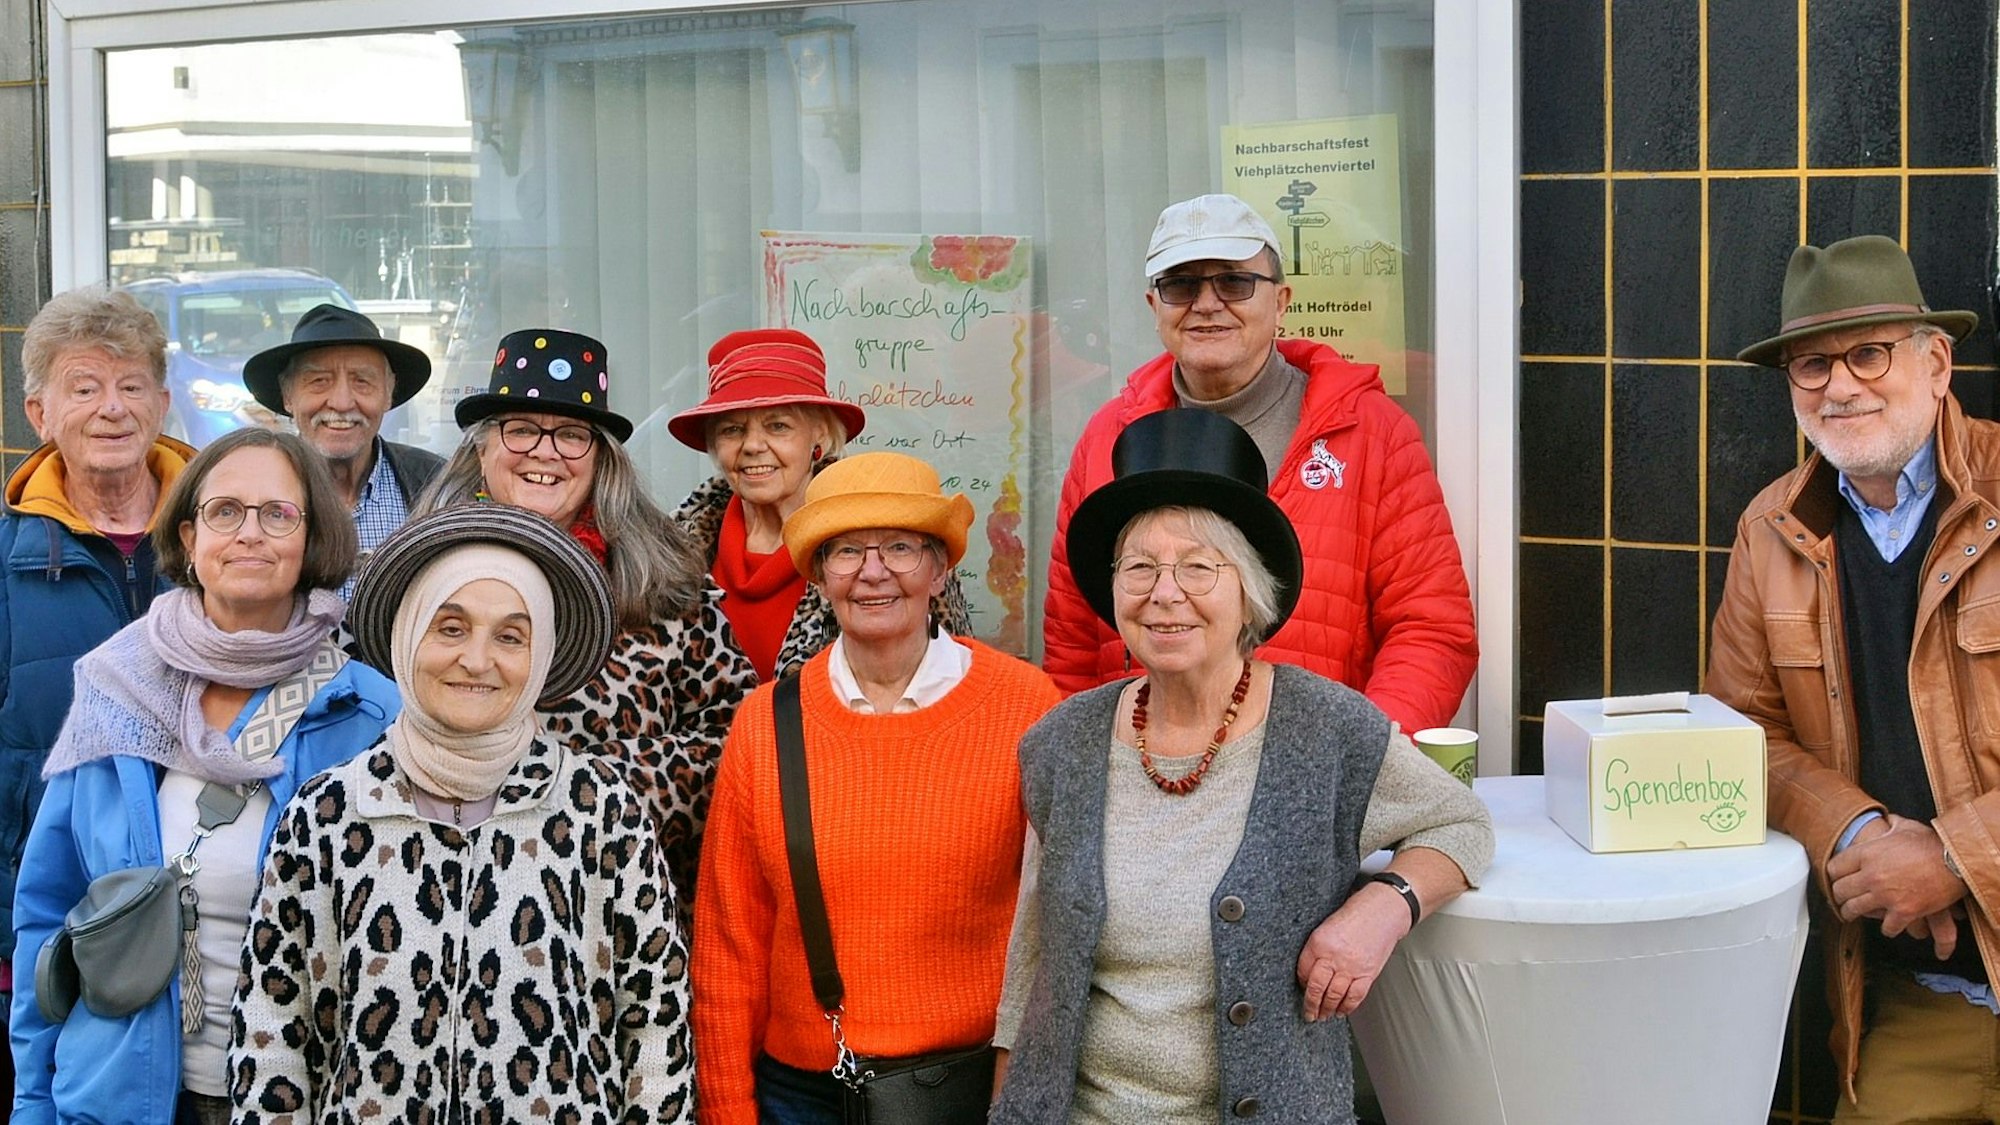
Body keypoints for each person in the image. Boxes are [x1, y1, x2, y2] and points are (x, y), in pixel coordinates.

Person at [993, 409, 1491, 1125]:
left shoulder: (1326, 729)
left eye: (1198, 566)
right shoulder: (1063, 740)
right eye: (1140, 567)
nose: (1165, 593)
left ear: (1248, 589)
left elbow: (1462, 821)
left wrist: (1384, 907)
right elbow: (1030, 964)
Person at [229, 503, 692, 1122]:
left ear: (541, 654)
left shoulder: (602, 813)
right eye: (450, 628)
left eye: (510, 636)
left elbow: (655, 1024)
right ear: (408, 636)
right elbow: (271, 1032)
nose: (477, 659)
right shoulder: (330, 815)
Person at [10, 427, 399, 1124]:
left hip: (301, 1100)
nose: (250, 532)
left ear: (313, 540)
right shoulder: (116, 689)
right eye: (225, 511)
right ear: (188, 537)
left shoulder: (369, 712)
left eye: (278, 513)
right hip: (116, 1100)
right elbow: (49, 915)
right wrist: (32, 1102)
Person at [1709, 234, 2000, 1121]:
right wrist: (1860, 832)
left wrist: (1953, 855)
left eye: (1869, 352)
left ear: (1937, 361)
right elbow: (1741, 735)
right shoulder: (1772, 531)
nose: (1839, 386)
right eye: (1810, 365)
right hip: (1926, 998)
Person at [691, 452, 1060, 1124]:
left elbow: (1060, 919)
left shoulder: (1026, 705)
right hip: (802, 1096)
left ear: (940, 568)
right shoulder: (765, 721)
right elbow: (728, 941)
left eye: (900, 546)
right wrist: (725, 1109)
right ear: (819, 575)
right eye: (846, 550)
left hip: (970, 1087)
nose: (873, 570)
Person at [1041, 193, 1476, 735]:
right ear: (1154, 307)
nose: (1206, 303)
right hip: (1149, 771)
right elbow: (1074, 643)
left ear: (1282, 301)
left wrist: (1360, 759)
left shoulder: (1369, 431)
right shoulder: (1109, 437)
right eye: (1181, 284)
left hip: (1316, 777)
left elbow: (1430, 630)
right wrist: (1095, 766)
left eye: (1234, 282)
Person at [415, 327, 755, 904]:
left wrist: (586, 789)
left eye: (572, 435)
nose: (544, 452)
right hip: (447, 893)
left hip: (622, 898)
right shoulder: (421, 572)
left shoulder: (664, 580)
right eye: (520, 429)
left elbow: (737, 733)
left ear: (600, 458)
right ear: (481, 448)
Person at [0, 287, 195, 1091]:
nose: (112, 408)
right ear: (40, 414)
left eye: (131, 385)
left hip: (207, 914)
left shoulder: (219, 542)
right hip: (49, 926)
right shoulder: (8, 562)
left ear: (162, 402)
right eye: (85, 387)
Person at [669, 327, 970, 681]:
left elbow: (950, 679)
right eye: (732, 430)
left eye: (778, 426)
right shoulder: (670, 553)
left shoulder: (894, 540)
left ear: (821, 435)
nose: (752, 445)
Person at [242, 303, 443, 598]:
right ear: (288, 395)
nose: (341, 402)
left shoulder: (434, 483)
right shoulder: (249, 488)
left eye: (362, 381)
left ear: (388, 394)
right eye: (319, 381)